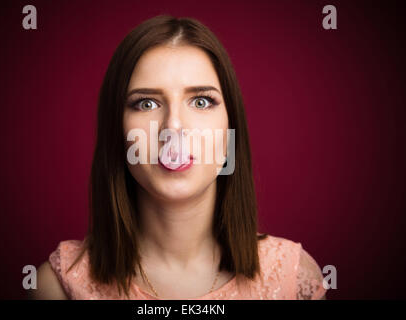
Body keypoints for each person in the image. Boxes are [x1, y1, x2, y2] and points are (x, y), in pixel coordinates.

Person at [30, 15, 327, 300]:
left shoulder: (295, 278)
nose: (173, 127)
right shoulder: (57, 287)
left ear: (229, 132)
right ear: (116, 134)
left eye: (201, 101)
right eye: (146, 103)